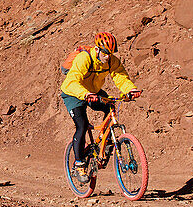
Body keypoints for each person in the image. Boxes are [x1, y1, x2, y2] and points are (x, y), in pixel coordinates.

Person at [60, 32, 141, 180]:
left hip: (93, 91)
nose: (107, 56)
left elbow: (120, 76)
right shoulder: (84, 58)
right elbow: (73, 80)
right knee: (82, 126)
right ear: (97, 49)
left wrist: (130, 90)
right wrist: (84, 94)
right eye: (105, 53)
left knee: (110, 106)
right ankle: (79, 165)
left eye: (110, 53)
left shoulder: (111, 61)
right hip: (73, 92)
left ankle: (105, 141)